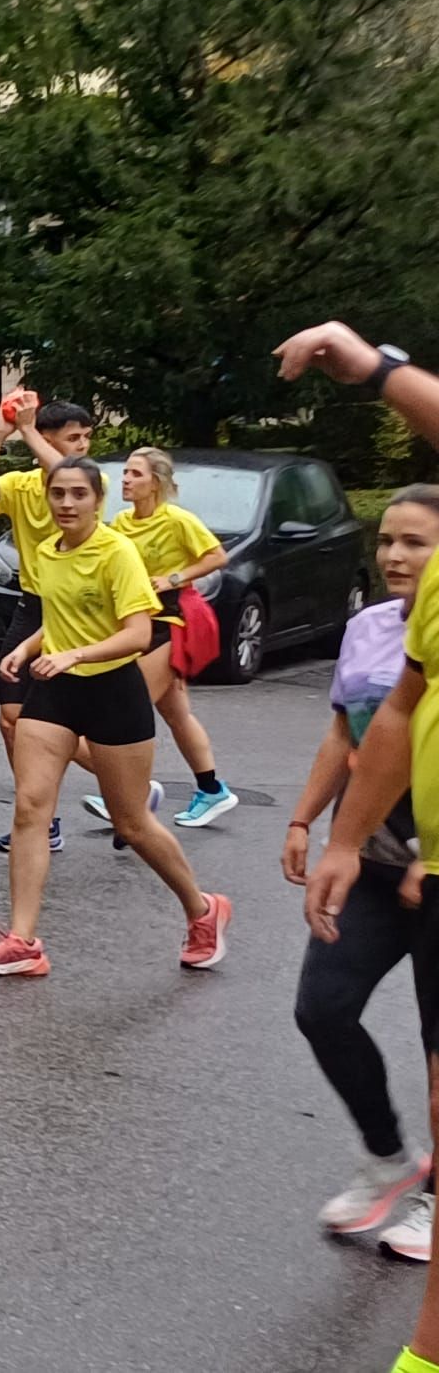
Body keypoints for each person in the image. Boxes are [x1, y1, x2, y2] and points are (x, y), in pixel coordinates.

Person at [0, 457, 231, 977]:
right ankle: (23, 942)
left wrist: (75, 655)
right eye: (58, 494)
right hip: (55, 691)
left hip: (113, 690)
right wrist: (27, 647)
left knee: (132, 823)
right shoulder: (45, 551)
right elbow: (61, 617)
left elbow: (136, 633)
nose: (66, 504)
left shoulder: (117, 552)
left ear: (96, 500)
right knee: (29, 809)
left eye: (77, 495)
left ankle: (203, 910)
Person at [286, 486, 439, 1263]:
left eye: (416, 542)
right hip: (376, 865)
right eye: (388, 540)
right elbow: (347, 735)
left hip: (437, 873)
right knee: (323, 1007)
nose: (395, 556)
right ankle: (388, 1155)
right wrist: (306, 821)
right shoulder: (371, 629)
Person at [0, 392, 97, 853]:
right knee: (11, 721)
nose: (82, 446)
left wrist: (27, 428)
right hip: (32, 607)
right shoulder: (22, 486)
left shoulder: (86, 487)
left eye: (86, 437)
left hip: (75, 612)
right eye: (73, 438)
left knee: (60, 725)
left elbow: (63, 472)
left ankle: (127, 785)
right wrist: (1, 432)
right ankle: (42, 817)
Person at [77, 447, 236, 830]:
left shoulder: (177, 520)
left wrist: (175, 578)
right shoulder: (121, 523)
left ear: (157, 482)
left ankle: (131, 792)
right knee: (176, 713)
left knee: (123, 714)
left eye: (136, 474)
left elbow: (217, 557)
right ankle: (212, 789)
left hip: (170, 621)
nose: (126, 481)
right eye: (126, 474)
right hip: (140, 622)